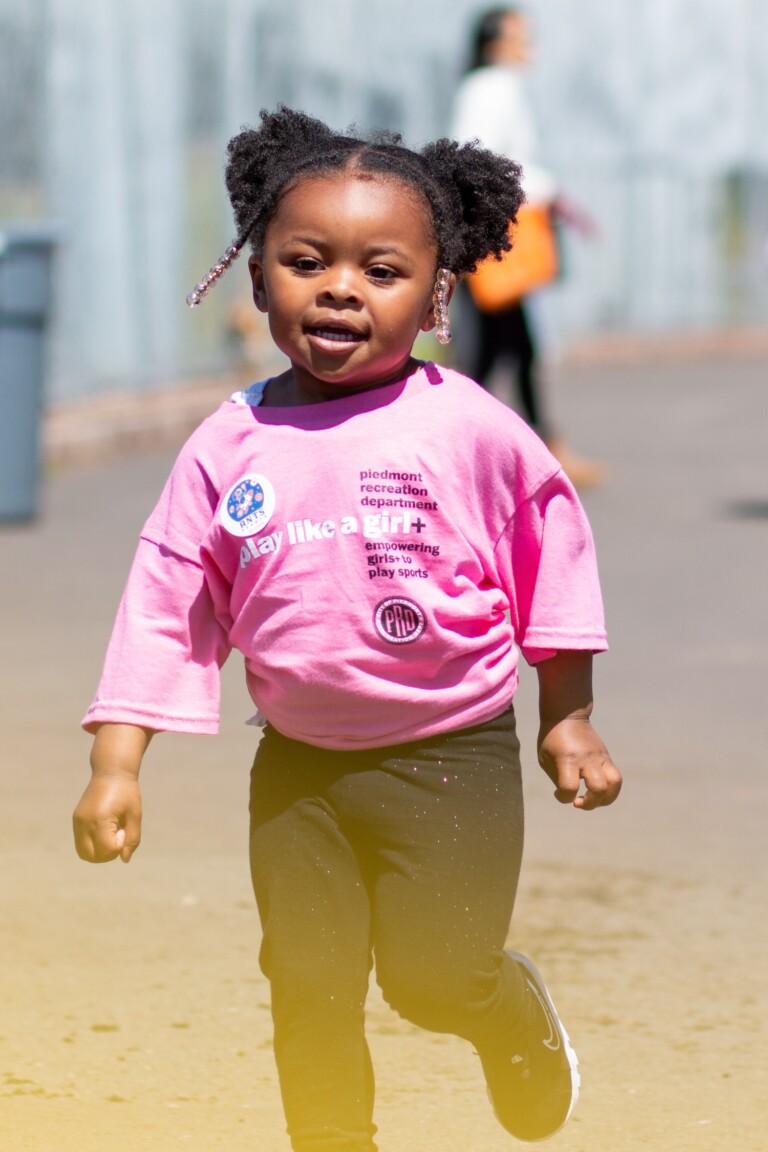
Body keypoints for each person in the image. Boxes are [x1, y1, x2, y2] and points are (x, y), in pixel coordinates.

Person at [72, 106, 622, 1152]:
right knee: (307, 982)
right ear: (258, 279)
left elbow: (553, 554)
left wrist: (568, 718)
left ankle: (505, 1010)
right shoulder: (232, 440)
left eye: (381, 270)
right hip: (299, 769)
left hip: (451, 761)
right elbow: (169, 595)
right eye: (307, 261)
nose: (340, 288)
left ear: (436, 293)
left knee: (433, 978)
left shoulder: (468, 428)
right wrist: (117, 762)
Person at [451, 6, 606, 487]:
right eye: (519, 35)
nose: (529, 44)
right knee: (505, 350)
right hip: (497, 234)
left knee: (504, 349)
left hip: (497, 230)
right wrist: (548, 189)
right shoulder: (492, 86)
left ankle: (504, 447)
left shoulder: (495, 85)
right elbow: (478, 154)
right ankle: (490, 449)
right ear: (494, 41)